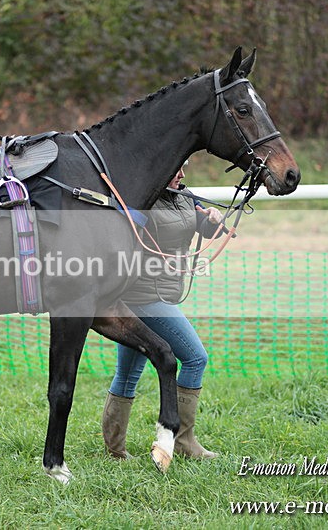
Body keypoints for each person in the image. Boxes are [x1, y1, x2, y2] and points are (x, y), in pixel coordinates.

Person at [102, 161, 224, 460]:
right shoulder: (142, 201)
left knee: (129, 373)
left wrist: (212, 219)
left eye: (185, 168)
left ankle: (114, 450)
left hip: (161, 295)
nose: (182, 175)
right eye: (176, 169)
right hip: (143, 297)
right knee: (195, 358)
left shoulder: (184, 197)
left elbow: (203, 227)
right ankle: (184, 441)